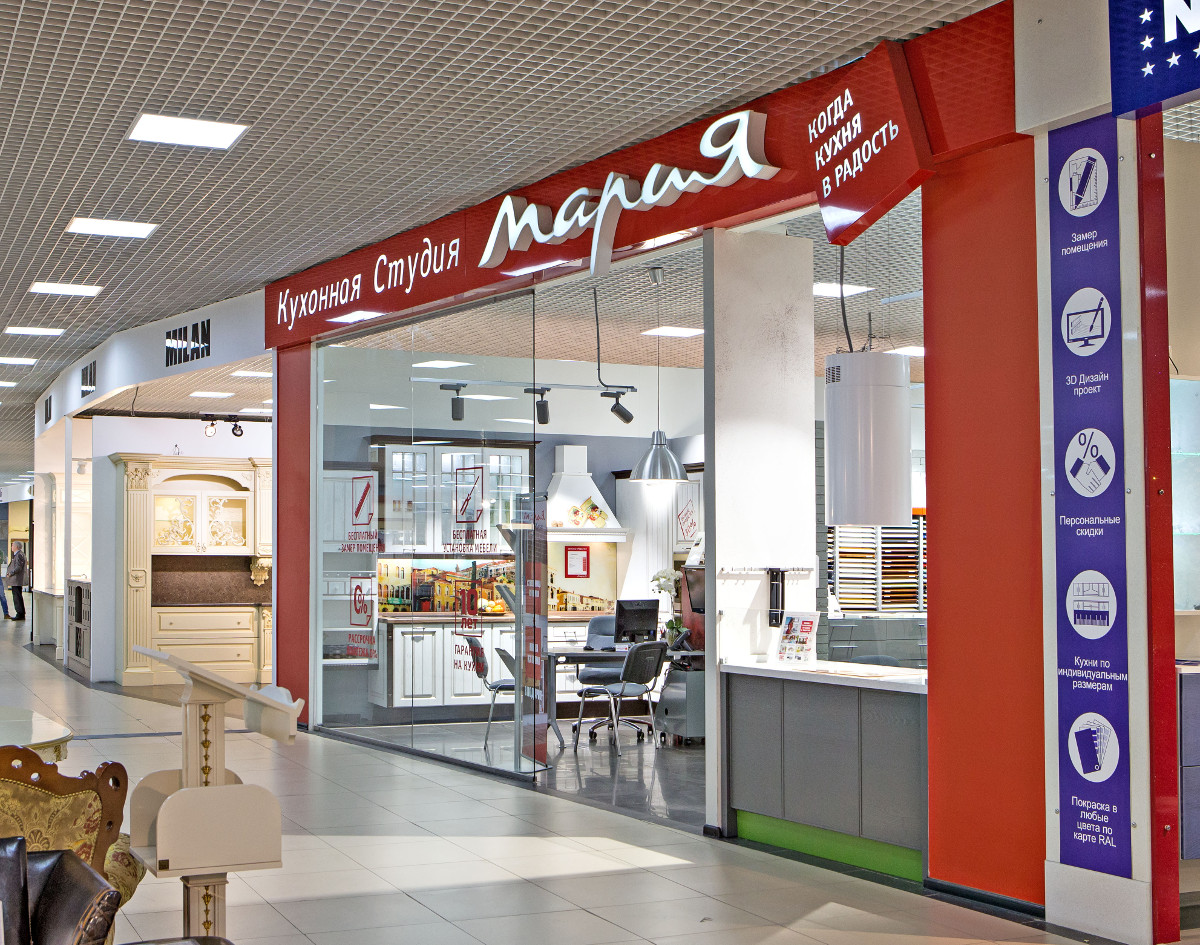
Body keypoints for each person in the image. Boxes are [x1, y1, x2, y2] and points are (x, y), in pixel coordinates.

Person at [5, 541, 26, 621]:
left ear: (16, 547)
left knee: (17, 597)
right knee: (17, 596)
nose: (11, 547)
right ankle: (20, 613)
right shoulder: (18, 555)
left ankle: (20, 614)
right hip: (16, 580)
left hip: (16, 580)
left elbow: (18, 567)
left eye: (12, 545)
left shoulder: (19, 555)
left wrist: (11, 573)